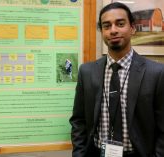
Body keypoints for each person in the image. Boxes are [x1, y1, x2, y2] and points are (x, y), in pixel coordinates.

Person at [69, 2, 164, 157]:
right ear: (102, 31)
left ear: (132, 28)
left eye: (120, 24)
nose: (113, 30)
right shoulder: (86, 72)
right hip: (97, 152)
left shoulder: (157, 73)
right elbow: (78, 120)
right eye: (107, 26)